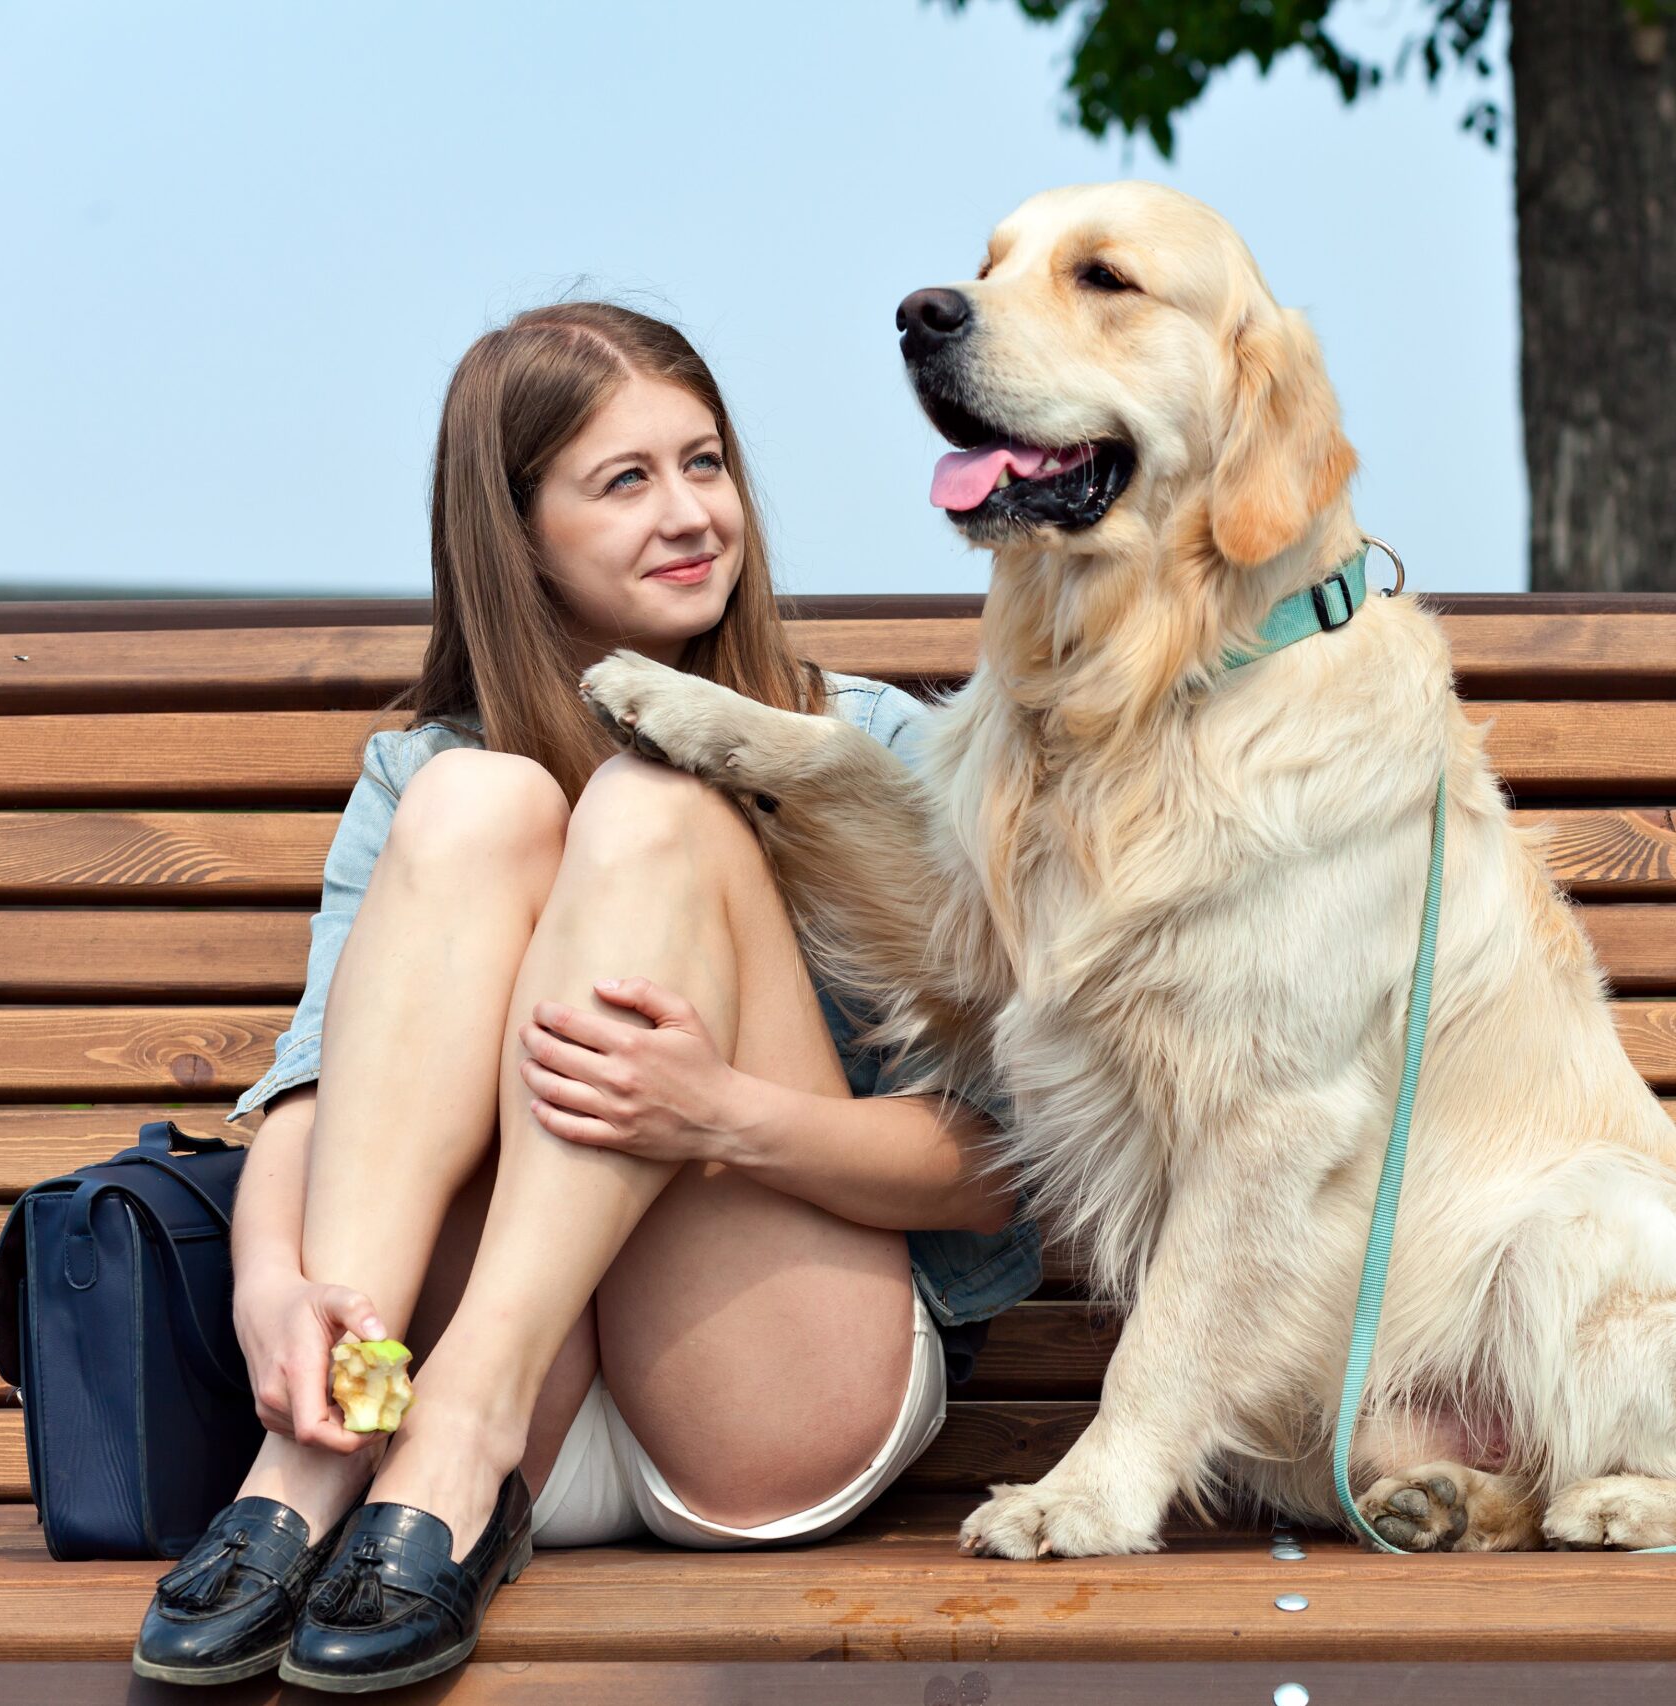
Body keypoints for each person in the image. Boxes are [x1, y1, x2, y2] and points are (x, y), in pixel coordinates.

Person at [132, 302, 1039, 1694]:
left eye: (706, 463)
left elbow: (1002, 1166)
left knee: (654, 798)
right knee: (483, 799)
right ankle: (324, 1449)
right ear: (519, 535)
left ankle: (459, 1414)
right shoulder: (423, 773)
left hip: (763, 1395)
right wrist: (274, 1290)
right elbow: (314, 1103)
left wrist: (720, 1114)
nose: (691, 514)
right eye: (626, 481)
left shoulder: (874, 746)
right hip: (427, 1482)